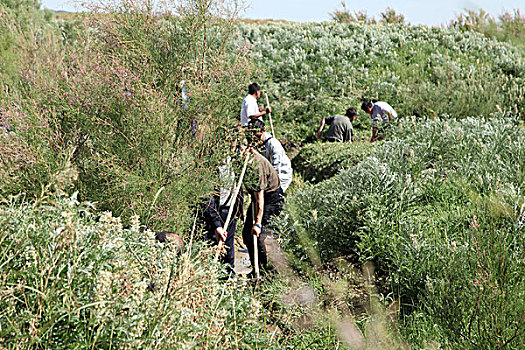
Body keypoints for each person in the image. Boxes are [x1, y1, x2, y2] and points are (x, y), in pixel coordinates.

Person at [202, 138, 244, 277]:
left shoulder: (233, 162)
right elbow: (206, 198)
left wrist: (238, 210)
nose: (232, 147)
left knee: (228, 249)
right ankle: (209, 279)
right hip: (214, 213)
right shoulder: (210, 166)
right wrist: (216, 224)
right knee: (211, 247)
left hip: (229, 211)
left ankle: (229, 280)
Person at [242, 147, 284, 276]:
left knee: (259, 236)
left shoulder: (256, 166)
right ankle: (256, 268)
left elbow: (260, 199)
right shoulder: (243, 161)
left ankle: (266, 272)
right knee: (246, 234)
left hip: (271, 199)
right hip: (258, 199)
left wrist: (258, 223)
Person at [246, 119, 293, 192]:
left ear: (263, 130)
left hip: (281, 175)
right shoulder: (257, 143)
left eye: (258, 136)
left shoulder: (273, 144)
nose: (255, 139)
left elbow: (276, 168)